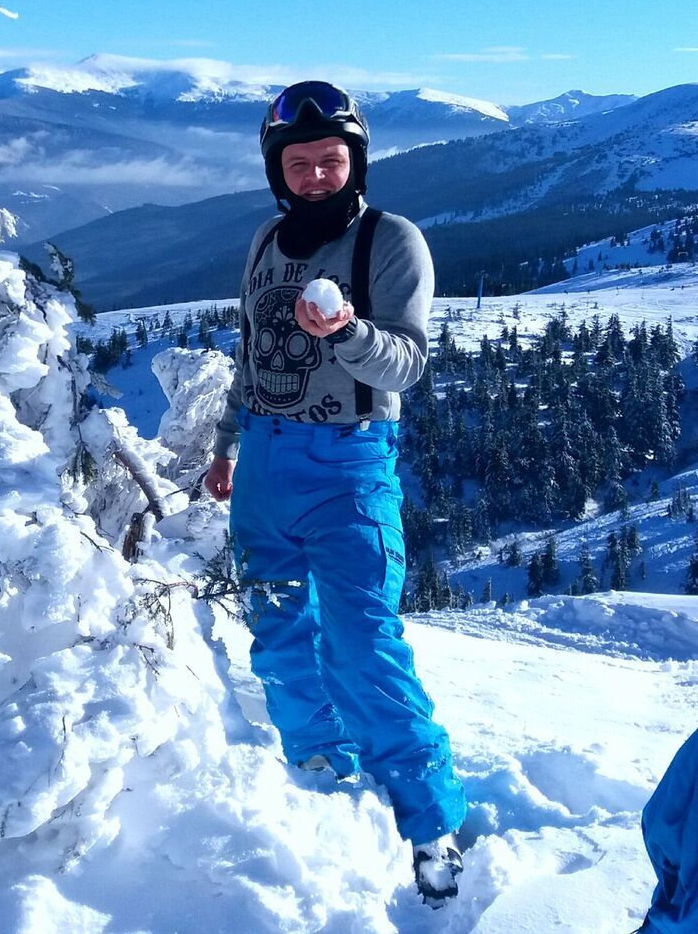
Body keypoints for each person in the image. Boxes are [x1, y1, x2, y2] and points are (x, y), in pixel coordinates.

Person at [204, 80, 468, 903]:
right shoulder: (263, 244)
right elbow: (251, 356)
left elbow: (408, 365)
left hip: (349, 467)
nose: (316, 174)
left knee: (364, 646)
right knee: (279, 632)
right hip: (267, 463)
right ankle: (320, 775)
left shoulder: (391, 241)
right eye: (300, 162)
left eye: (331, 159)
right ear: (277, 170)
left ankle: (432, 826)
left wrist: (346, 332)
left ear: (356, 162)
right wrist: (224, 445)